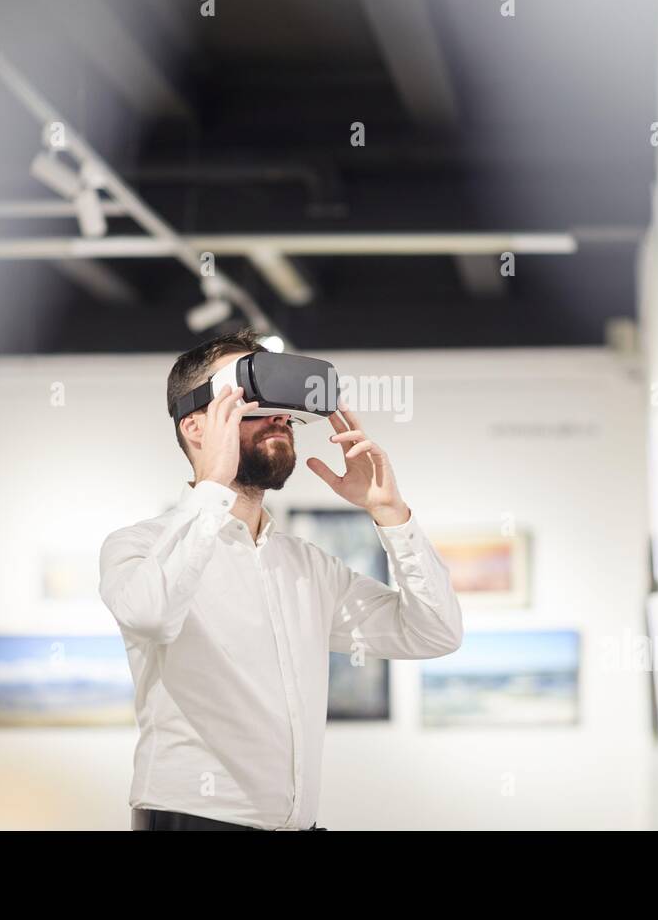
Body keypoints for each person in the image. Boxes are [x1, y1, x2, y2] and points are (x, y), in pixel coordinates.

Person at [99, 329, 463, 830]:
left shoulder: (306, 567)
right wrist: (211, 486)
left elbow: (434, 632)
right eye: (249, 401)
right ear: (195, 426)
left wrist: (391, 514)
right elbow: (152, 615)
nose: (279, 418)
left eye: (285, 410)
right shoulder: (138, 547)